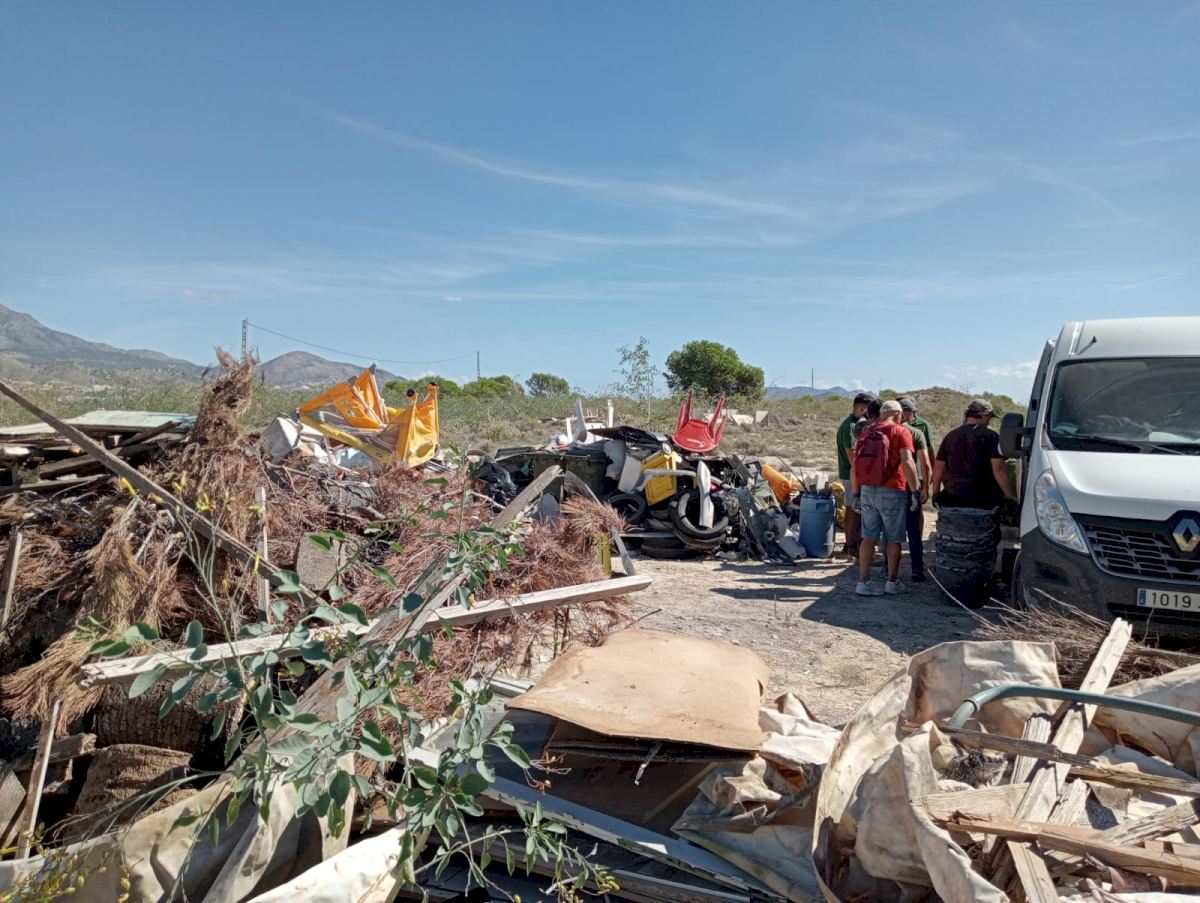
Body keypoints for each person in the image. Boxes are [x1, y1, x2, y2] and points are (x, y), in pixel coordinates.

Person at [852, 399, 919, 596]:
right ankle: (892, 582)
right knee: (893, 538)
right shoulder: (900, 431)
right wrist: (915, 490)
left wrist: (855, 493)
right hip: (892, 491)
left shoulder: (866, 432)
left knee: (868, 537)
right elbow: (907, 461)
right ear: (897, 414)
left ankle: (863, 582)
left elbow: (855, 466)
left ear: (881, 414)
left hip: (867, 490)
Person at [929, 399, 1017, 508]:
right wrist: (1010, 497)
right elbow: (998, 468)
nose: (989, 421)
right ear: (983, 415)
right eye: (989, 417)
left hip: (952, 501)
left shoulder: (950, 436)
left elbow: (938, 468)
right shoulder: (991, 436)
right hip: (983, 503)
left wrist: (936, 494)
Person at [836, 392, 876, 558]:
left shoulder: (858, 424)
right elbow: (852, 455)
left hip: (855, 474)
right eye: (867, 409)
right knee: (852, 509)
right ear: (861, 408)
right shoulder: (851, 426)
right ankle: (850, 545)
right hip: (851, 475)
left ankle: (853, 544)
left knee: (857, 510)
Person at [898, 397, 932, 581]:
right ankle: (917, 570)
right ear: (907, 413)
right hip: (911, 485)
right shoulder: (916, 433)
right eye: (912, 413)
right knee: (914, 531)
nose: (913, 416)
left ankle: (889, 570)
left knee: (890, 530)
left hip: (890, 486)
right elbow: (925, 463)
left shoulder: (884, 431)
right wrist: (925, 486)